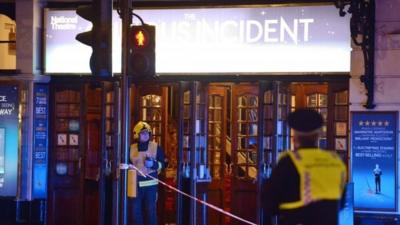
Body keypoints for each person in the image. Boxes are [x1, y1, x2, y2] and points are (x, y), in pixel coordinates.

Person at [263, 108, 347, 225]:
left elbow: (270, 204)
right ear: (318, 135)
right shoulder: (336, 161)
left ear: (294, 137)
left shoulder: (288, 161)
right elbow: (341, 203)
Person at [129, 121, 166, 225]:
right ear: (137, 134)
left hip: (151, 186)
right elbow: (127, 164)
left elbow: (163, 164)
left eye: (147, 133)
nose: (145, 135)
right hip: (135, 186)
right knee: (135, 214)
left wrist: (154, 164)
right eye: (142, 133)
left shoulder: (156, 147)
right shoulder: (131, 148)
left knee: (150, 214)